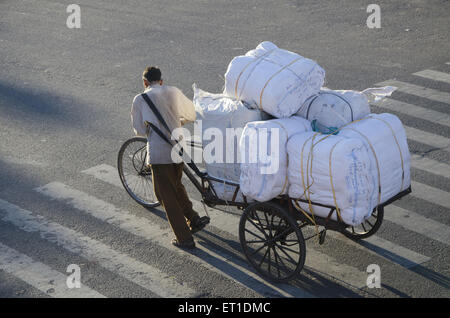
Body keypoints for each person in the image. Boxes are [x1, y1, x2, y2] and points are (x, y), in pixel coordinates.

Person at [130, 66, 208, 249]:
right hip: (178, 148)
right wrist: (176, 121)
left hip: (160, 153)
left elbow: (139, 130)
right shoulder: (173, 91)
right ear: (161, 81)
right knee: (177, 185)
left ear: (145, 83)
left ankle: (184, 238)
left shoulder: (140, 99)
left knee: (165, 195)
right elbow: (191, 113)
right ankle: (193, 218)